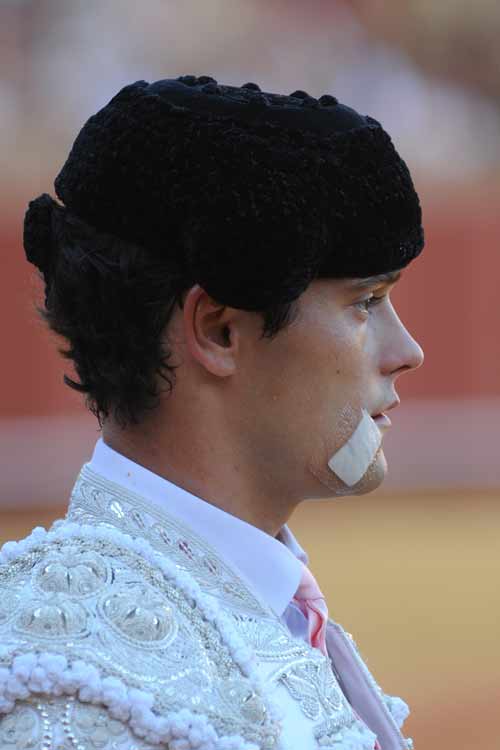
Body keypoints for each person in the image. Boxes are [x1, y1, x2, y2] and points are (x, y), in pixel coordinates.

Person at [1, 76, 424, 750]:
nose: (408, 351)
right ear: (220, 331)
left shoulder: (260, 606)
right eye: (365, 303)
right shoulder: (73, 682)